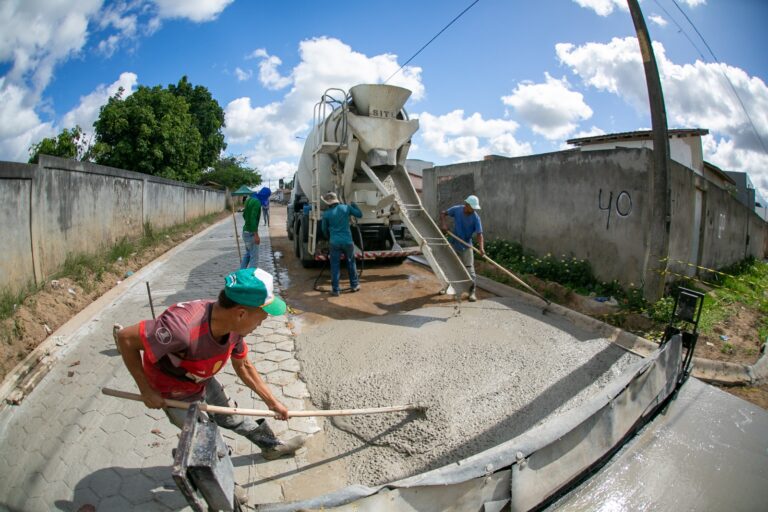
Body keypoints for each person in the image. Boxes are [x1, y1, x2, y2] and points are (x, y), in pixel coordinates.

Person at [112, 268, 306, 463]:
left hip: (202, 379)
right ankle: (221, 489)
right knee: (207, 441)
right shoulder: (180, 328)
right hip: (173, 391)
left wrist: (272, 402)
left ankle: (272, 447)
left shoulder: (234, 327)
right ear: (241, 313)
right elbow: (125, 339)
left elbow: (244, 366)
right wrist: (146, 391)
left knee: (232, 416)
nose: (261, 324)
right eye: (261, 317)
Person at [440, 194, 485, 302]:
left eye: (475, 208)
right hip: (454, 243)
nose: (474, 209)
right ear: (467, 205)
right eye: (472, 207)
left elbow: (480, 234)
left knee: (470, 270)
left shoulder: (475, 218)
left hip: (466, 245)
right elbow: (443, 213)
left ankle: (472, 292)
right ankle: (446, 287)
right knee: (449, 266)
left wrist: (481, 248)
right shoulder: (457, 210)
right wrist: (444, 225)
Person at [320, 192, 363, 296]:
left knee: (335, 266)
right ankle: (354, 285)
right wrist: (354, 205)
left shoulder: (326, 214)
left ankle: (336, 290)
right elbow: (359, 215)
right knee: (351, 263)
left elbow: (324, 229)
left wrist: (328, 237)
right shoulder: (346, 208)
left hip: (334, 242)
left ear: (328, 203)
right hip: (348, 242)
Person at [240, 192, 261, 268]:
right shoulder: (257, 203)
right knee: (254, 258)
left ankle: (241, 272)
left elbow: (244, 215)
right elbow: (253, 218)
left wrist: (248, 224)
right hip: (251, 234)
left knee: (248, 254)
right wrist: (256, 235)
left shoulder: (248, 200)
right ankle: (251, 277)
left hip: (245, 231)